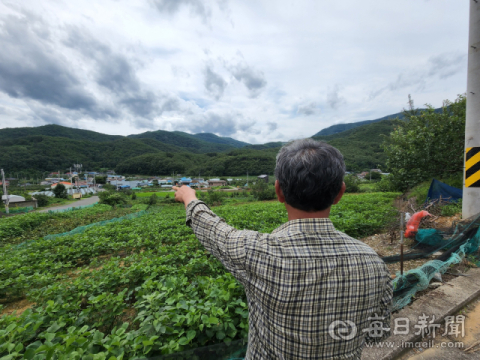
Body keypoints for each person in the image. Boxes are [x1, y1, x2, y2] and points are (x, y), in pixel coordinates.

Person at [173, 138, 392, 360]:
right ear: (340, 193)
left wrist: (189, 197)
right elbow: (377, 333)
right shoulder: (374, 263)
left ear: (279, 191)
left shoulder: (257, 252)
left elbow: (214, 230)